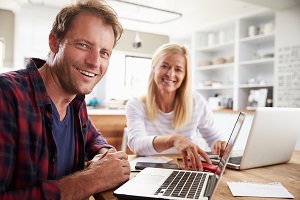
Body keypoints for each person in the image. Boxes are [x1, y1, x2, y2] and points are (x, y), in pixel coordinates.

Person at [0, 0, 130, 199]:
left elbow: (93, 139)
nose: (95, 62)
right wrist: (92, 179)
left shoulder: (76, 100)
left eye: (104, 53)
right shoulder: (7, 95)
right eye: (83, 45)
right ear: (54, 42)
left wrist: (104, 154)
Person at [125, 43, 227, 171]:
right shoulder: (136, 105)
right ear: (154, 67)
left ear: (185, 76)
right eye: (165, 66)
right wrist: (173, 139)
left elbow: (214, 138)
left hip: (188, 170)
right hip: (149, 172)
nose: (170, 74)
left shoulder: (197, 102)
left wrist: (220, 144)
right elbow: (136, 144)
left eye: (178, 69)